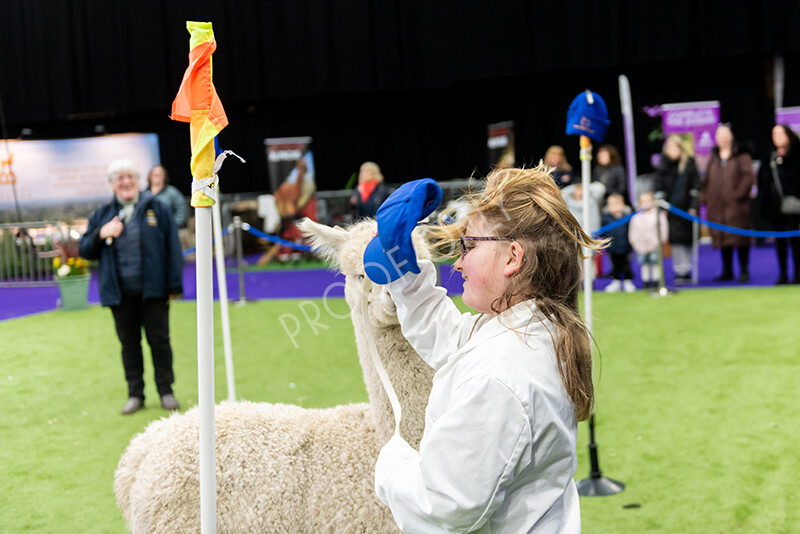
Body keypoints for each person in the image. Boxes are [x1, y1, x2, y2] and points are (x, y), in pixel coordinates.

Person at [374, 165, 605, 532]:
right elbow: (453, 341)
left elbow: (446, 506)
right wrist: (405, 274)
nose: (458, 261)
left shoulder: (500, 373)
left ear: (513, 258)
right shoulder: (528, 328)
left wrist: (389, 462)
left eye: (468, 245)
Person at [79, 159, 183, 415]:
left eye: (129, 177)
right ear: (112, 184)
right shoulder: (102, 214)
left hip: (155, 291)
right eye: (119, 178)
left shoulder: (158, 208)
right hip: (120, 294)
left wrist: (174, 285)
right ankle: (135, 395)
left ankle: (166, 391)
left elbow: (173, 248)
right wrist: (100, 234)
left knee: (160, 341)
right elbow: (85, 250)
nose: (125, 182)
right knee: (129, 345)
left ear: (138, 181)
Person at [703, 123, 755, 282]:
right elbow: (706, 180)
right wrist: (705, 197)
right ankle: (727, 270)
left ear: (731, 136)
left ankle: (744, 269)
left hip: (737, 207)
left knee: (740, 238)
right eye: (719, 135)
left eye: (725, 134)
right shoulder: (713, 158)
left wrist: (738, 194)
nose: (722, 138)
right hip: (717, 206)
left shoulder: (741, 156)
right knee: (722, 237)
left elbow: (748, 177)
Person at [756, 124, 800, 284]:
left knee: (796, 240)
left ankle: (797, 274)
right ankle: (782, 274)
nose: (777, 137)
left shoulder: (796, 154)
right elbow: (763, 180)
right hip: (775, 206)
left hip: (794, 205)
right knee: (780, 241)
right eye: (774, 134)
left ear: (788, 135)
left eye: (780, 134)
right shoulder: (769, 156)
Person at [654, 135, 701, 283]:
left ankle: (687, 268)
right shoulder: (663, 165)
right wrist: (661, 205)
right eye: (670, 148)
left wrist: (694, 206)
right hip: (671, 210)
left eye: (676, 147)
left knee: (688, 240)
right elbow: (658, 186)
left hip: (686, 209)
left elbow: (695, 186)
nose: (673, 151)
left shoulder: (689, 164)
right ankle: (679, 270)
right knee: (675, 241)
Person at [561, 180, 606, 281]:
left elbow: (600, 188)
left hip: (590, 233)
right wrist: (574, 187)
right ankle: (578, 280)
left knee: (589, 257)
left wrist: (585, 187)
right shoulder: (569, 202)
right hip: (573, 234)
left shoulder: (591, 200)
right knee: (575, 258)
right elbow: (562, 193)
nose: (579, 196)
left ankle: (590, 280)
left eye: (581, 194)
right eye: (577, 194)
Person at [629, 191, 669, 289]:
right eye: (643, 201)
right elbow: (632, 231)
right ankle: (646, 281)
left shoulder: (659, 215)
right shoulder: (636, 217)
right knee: (644, 263)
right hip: (641, 245)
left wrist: (661, 241)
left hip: (655, 244)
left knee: (655, 262)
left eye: (648, 201)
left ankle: (656, 280)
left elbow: (664, 229)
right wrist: (634, 243)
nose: (646, 203)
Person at [601, 193, 635, 292]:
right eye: (611, 204)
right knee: (615, 264)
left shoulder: (628, 216)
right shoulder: (606, 217)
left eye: (616, 204)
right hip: (612, 246)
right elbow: (604, 232)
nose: (614, 206)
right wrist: (605, 243)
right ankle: (615, 281)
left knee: (625, 264)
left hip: (625, 245)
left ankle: (628, 280)